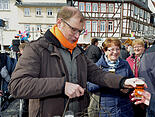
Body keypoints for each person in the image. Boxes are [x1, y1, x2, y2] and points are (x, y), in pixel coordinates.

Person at [8, 6, 142, 117]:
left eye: (80, 31)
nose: (77, 36)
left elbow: (97, 74)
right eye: (73, 30)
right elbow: (17, 86)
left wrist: (123, 81)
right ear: (59, 23)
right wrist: (62, 86)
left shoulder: (77, 51)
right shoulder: (36, 49)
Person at [87, 38, 134, 117]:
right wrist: (105, 80)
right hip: (105, 110)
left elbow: (131, 80)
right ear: (105, 51)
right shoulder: (98, 66)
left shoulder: (125, 64)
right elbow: (89, 86)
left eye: (117, 49)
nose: (115, 52)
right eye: (111, 49)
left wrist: (128, 89)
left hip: (124, 109)